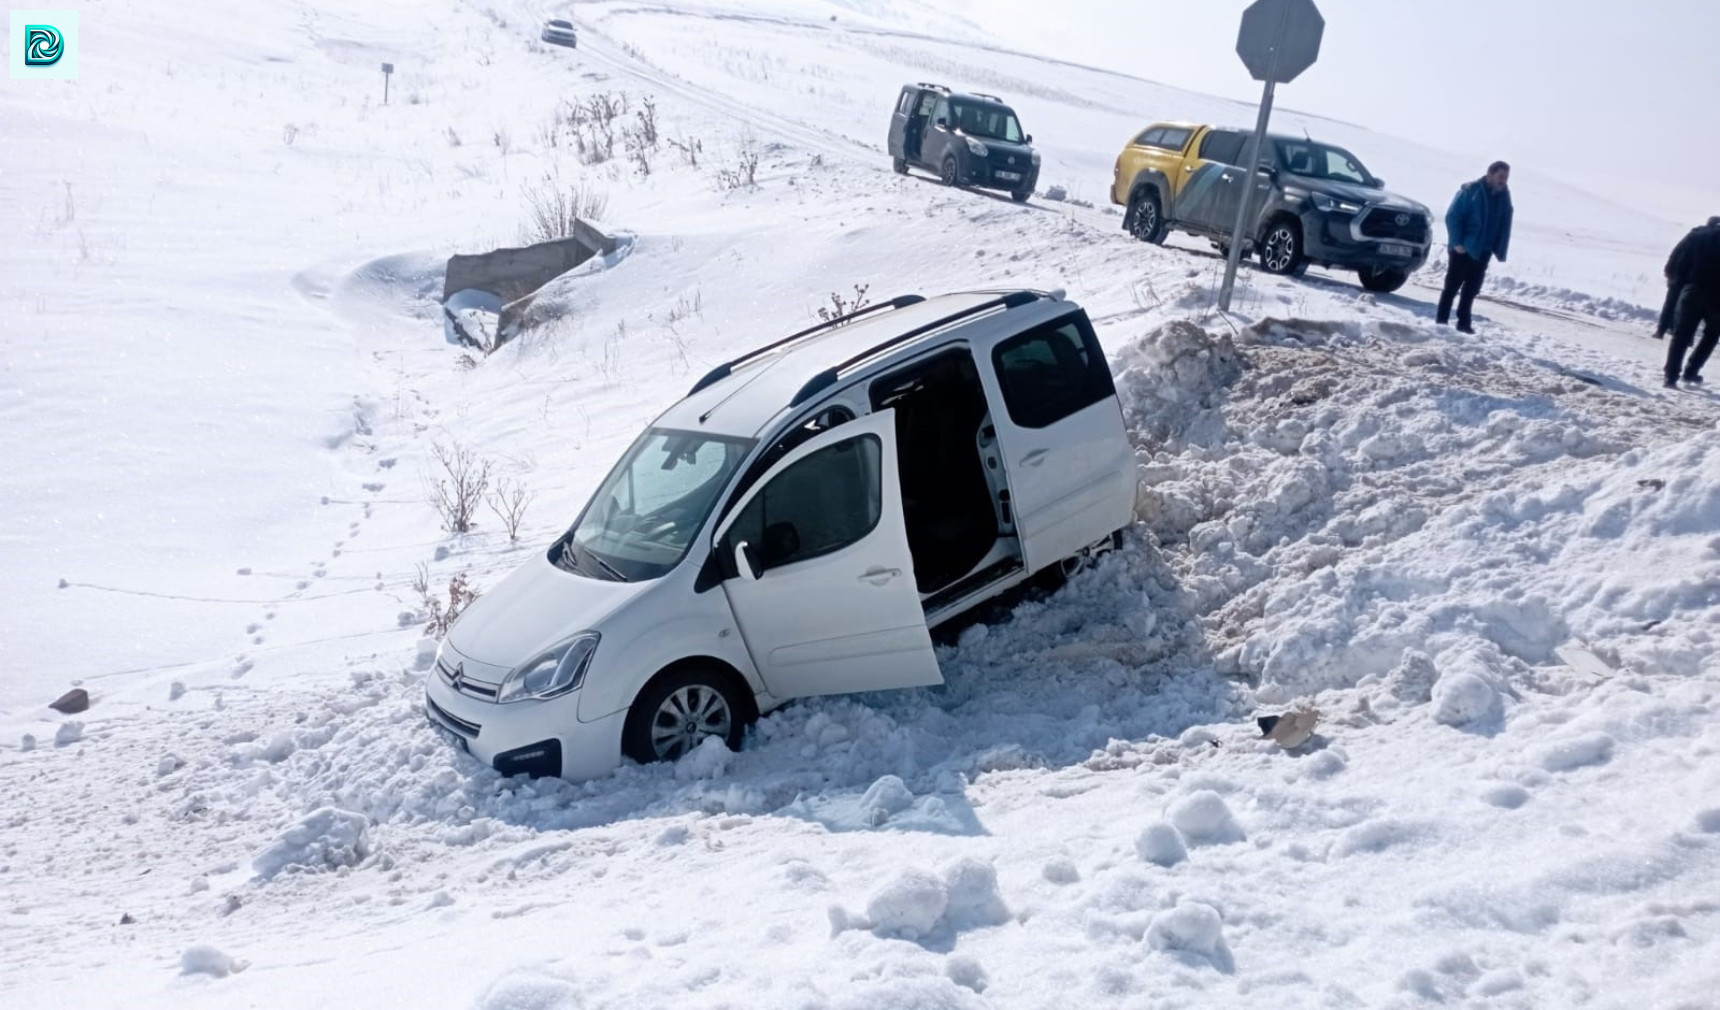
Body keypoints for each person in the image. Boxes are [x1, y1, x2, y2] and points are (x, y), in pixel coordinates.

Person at [1437, 161, 1515, 334]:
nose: (1503, 180)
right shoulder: (1471, 191)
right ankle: (1441, 321)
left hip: (1483, 249)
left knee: (1472, 288)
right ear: (1490, 175)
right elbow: (1454, 216)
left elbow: (1504, 220)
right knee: (1452, 286)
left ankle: (1464, 323)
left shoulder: (1504, 196)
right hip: (1463, 248)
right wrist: (1457, 242)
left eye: (1506, 177)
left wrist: (1498, 245)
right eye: (1501, 176)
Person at [1664, 218, 1720, 388]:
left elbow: (1679, 263)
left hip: (1693, 289)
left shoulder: (1698, 235)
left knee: (1681, 334)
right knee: (1711, 335)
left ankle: (1670, 376)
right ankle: (1691, 371)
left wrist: (1677, 286)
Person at [1656, 217, 1720, 339]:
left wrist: (1670, 268)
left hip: (1682, 275)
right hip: (1691, 278)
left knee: (1673, 304)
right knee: (1686, 310)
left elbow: (1677, 251)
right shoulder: (1706, 238)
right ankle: (1679, 334)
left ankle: (1662, 330)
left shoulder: (1695, 235)